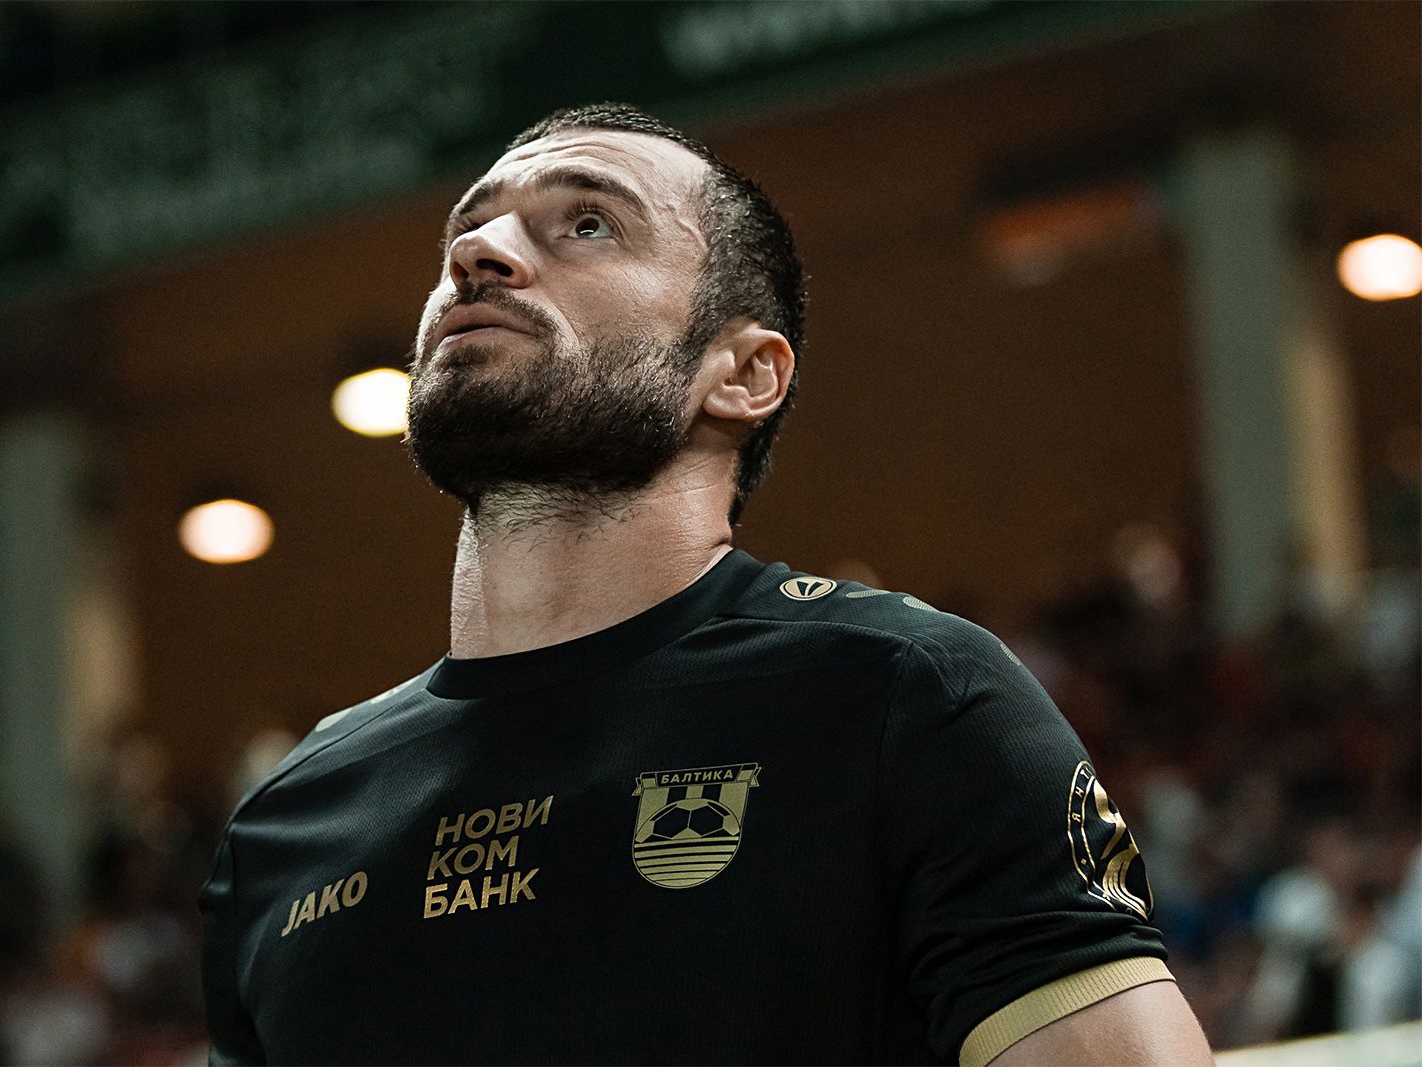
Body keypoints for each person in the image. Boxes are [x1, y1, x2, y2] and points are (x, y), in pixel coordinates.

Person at [199, 103, 1213, 1066]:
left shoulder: (904, 696)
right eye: (467, 232)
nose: (480, 252)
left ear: (742, 374)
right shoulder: (288, 817)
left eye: (587, 223)